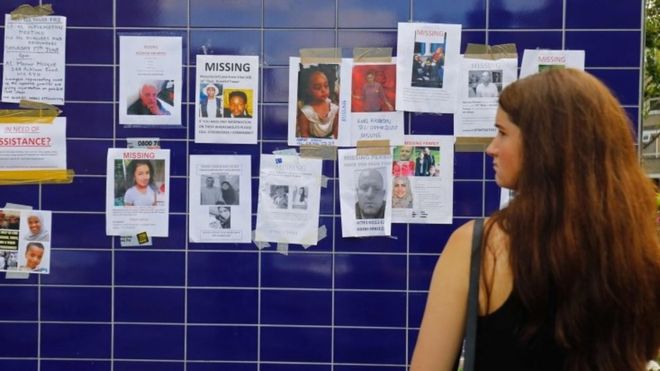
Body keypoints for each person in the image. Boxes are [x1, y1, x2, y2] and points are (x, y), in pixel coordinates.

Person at [410, 69, 660, 371]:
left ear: (544, 146)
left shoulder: (477, 247)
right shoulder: (638, 252)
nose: (491, 148)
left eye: (502, 133)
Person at [297, 69, 339, 139]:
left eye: (326, 86)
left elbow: (336, 134)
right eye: (318, 87)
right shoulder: (305, 113)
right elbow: (304, 136)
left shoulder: (334, 109)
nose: (323, 90)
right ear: (309, 91)